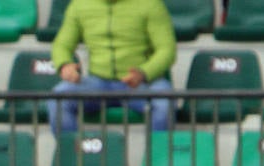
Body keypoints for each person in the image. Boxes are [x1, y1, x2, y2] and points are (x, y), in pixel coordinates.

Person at [48, 0, 177, 134]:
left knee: (164, 103)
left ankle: (158, 154)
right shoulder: (79, 5)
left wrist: (143, 72)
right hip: (97, 82)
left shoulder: (150, 4)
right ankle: (72, 153)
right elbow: (61, 45)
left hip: (142, 84)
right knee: (58, 99)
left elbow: (167, 50)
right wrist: (64, 65)